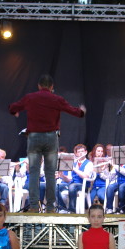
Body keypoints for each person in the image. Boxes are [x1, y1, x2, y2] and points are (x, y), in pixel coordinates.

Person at [9, 74, 86, 213]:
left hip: (33, 138)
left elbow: (13, 107)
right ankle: (50, 207)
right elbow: (75, 112)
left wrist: (14, 111)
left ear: (39, 86)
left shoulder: (30, 97)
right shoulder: (57, 99)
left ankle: (33, 206)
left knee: (33, 172)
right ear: (52, 87)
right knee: (50, 173)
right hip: (51, 138)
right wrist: (82, 112)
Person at [57, 144, 93, 213]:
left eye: (82, 151)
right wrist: (62, 176)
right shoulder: (74, 163)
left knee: (72, 186)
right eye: (79, 152)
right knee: (56, 186)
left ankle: (72, 209)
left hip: (83, 185)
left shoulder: (89, 163)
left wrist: (74, 169)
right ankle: (62, 208)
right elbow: (69, 180)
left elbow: (85, 176)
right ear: (76, 154)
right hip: (72, 184)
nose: (81, 153)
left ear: (86, 152)